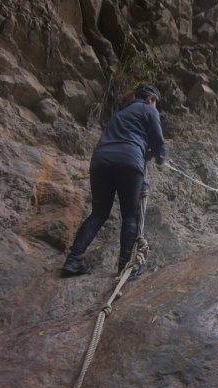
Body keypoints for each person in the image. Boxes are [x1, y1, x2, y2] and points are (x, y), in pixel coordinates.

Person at [61, 84, 166, 277]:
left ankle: (74, 260)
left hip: (100, 162)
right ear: (151, 99)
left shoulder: (120, 114)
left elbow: (127, 134)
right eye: (155, 103)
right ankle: (125, 266)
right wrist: (159, 158)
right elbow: (158, 140)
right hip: (129, 162)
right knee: (130, 215)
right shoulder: (149, 110)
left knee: (99, 213)